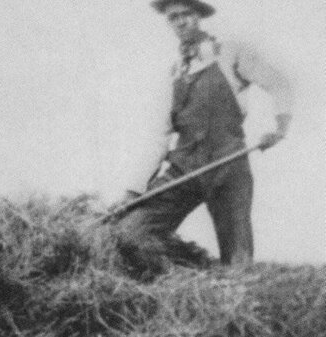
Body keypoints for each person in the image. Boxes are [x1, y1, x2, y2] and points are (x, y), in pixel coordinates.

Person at [115, 0, 292, 270]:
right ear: (169, 22)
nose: (181, 21)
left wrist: (280, 128)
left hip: (227, 162)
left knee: (237, 258)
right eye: (174, 17)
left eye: (187, 14)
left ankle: (233, 295)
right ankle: (187, 277)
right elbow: (160, 135)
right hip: (184, 167)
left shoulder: (228, 53)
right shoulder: (175, 71)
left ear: (198, 16)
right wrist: (134, 190)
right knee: (130, 232)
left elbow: (279, 84)